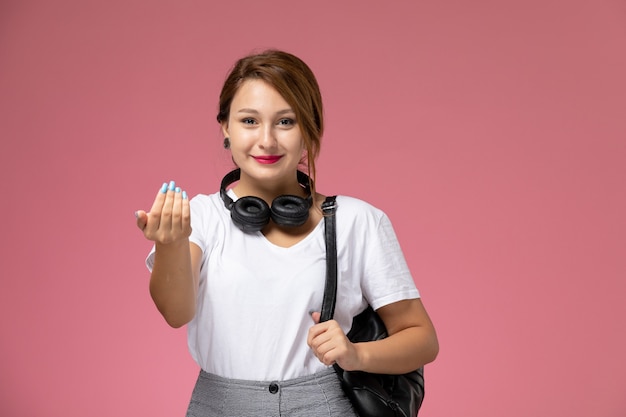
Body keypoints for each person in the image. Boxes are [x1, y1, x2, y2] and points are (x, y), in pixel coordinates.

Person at [135, 49, 439, 417]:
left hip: (323, 406)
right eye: (249, 121)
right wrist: (170, 245)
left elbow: (422, 338)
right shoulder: (201, 216)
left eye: (285, 122)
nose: (266, 140)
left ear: (310, 130)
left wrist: (357, 354)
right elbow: (176, 312)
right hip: (218, 406)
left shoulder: (358, 221)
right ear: (226, 130)